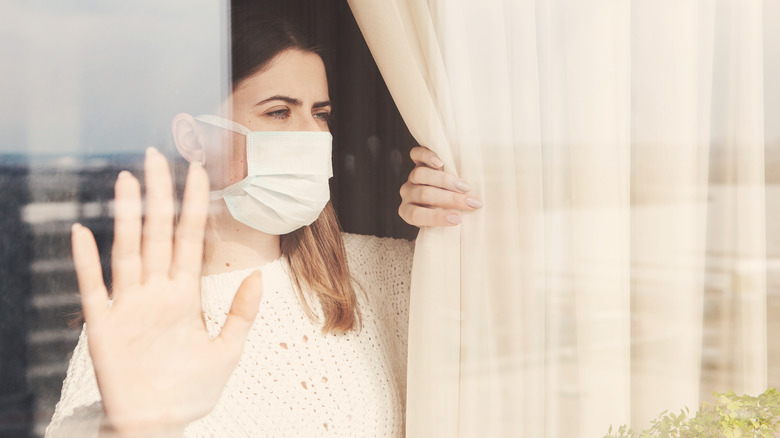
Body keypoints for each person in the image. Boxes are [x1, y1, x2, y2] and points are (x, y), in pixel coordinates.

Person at [45, 9, 481, 438]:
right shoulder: (146, 317)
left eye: (320, 113)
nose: (313, 135)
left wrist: (464, 218)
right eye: (279, 112)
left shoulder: (385, 273)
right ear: (195, 139)